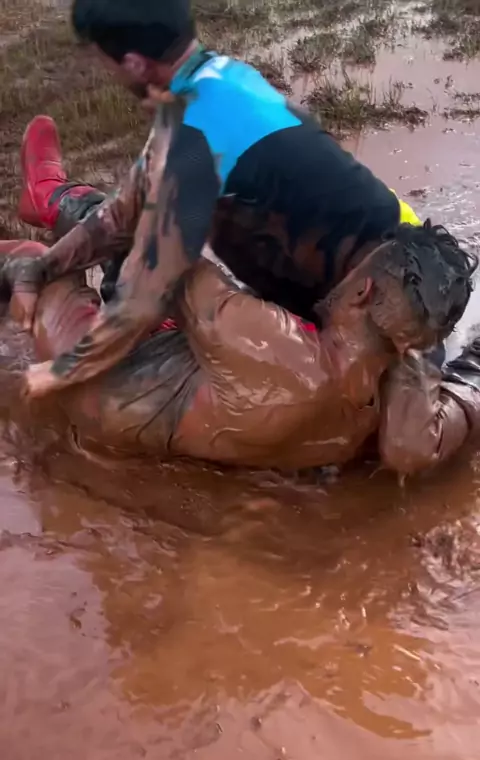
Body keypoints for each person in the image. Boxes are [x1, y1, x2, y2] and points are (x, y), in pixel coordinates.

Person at [3, 0, 449, 401]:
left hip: (389, 305)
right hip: (363, 276)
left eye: (105, 62)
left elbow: (143, 295)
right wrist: (43, 267)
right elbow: (125, 212)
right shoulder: (224, 80)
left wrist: (52, 375)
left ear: (135, 63)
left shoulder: (191, 138)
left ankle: (476, 362)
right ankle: (51, 196)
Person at [1, 222, 479, 476]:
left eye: (353, 273)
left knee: (34, 260)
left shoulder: (272, 341)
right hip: (167, 428)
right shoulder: (382, 414)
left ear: (361, 290)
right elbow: (415, 444)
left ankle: (55, 199)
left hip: (95, 394)